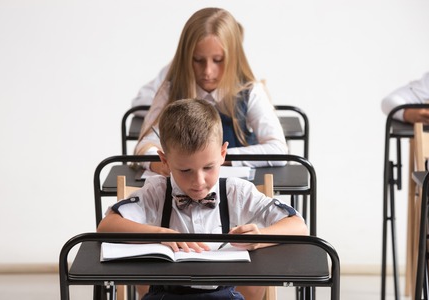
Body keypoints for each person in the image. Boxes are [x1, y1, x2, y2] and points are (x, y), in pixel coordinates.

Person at [98, 99, 308, 300]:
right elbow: (106, 225)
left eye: (208, 167)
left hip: (222, 295)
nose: (198, 181)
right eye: (185, 170)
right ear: (165, 161)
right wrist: (161, 234)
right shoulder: (157, 191)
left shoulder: (236, 192)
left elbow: (298, 226)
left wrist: (261, 237)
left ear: (223, 153)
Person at [134, 7, 288, 175]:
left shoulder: (250, 92)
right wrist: (162, 165)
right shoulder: (171, 91)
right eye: (198, 60)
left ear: (233, 58)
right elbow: (144, 146)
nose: (207, 71)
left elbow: (278, 150)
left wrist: (216, 158)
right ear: (186, 57)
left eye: (218, 60)